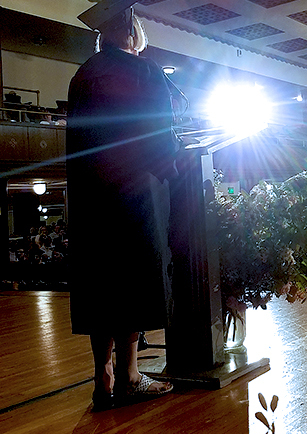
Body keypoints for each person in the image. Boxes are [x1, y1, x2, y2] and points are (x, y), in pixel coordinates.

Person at [67, 7, 175, 410]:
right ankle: (129, 376)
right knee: (130, 279)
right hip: (134, 194)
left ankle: (102, 377)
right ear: (132, 29)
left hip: (91, 198)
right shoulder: (145, 72)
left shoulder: (83, 75)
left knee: (101, 281)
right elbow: (160, 141)